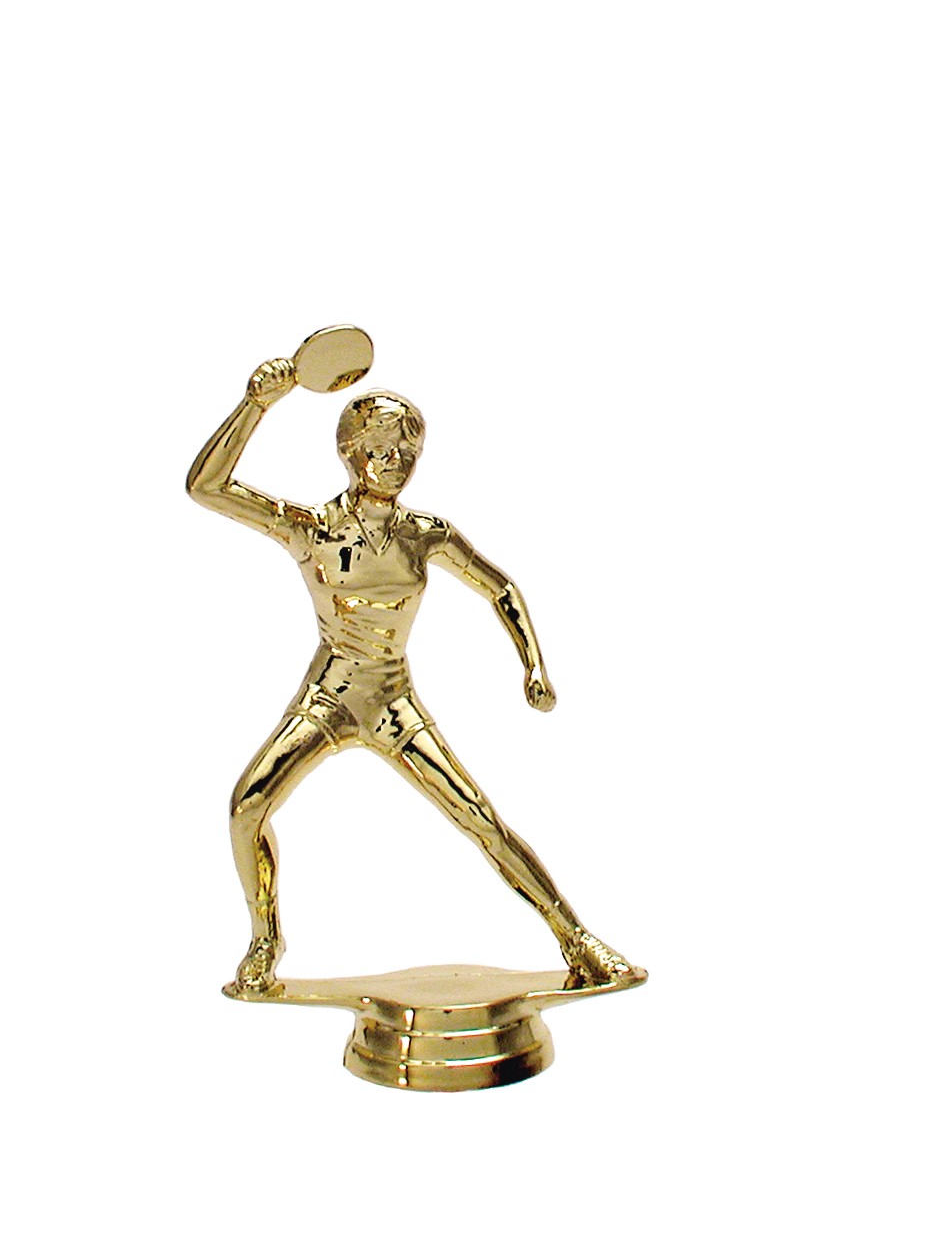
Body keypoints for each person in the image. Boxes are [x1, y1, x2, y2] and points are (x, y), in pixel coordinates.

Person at [187, 350, 635, 992]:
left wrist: (532, 665)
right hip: (328, 700)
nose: (394, 462)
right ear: (349, 454)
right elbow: (206, 487)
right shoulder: (312, 530)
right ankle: (264, 942)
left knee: (479, 818)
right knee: (247, 806)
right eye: (379, 450)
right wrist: (256, 404)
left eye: (406, 451)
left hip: (394, 704)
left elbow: (500, 588)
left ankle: (579, 940)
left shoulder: (424, 534)